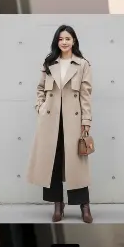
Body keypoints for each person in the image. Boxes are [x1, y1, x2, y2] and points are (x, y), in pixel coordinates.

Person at [26, 24, 94, 223]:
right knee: (52, 162)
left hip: (73, 121)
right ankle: (58, 204)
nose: (64, 42)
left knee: (77, 164)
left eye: (68, 38)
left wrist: (86, 120)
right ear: (57, 42)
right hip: (50, 121)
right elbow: (40, 89)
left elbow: (86, 95)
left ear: (74, 41)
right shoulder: (49, 63)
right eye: (61, 39)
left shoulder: (82, 65)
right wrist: (40, 107)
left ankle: (84, 206)